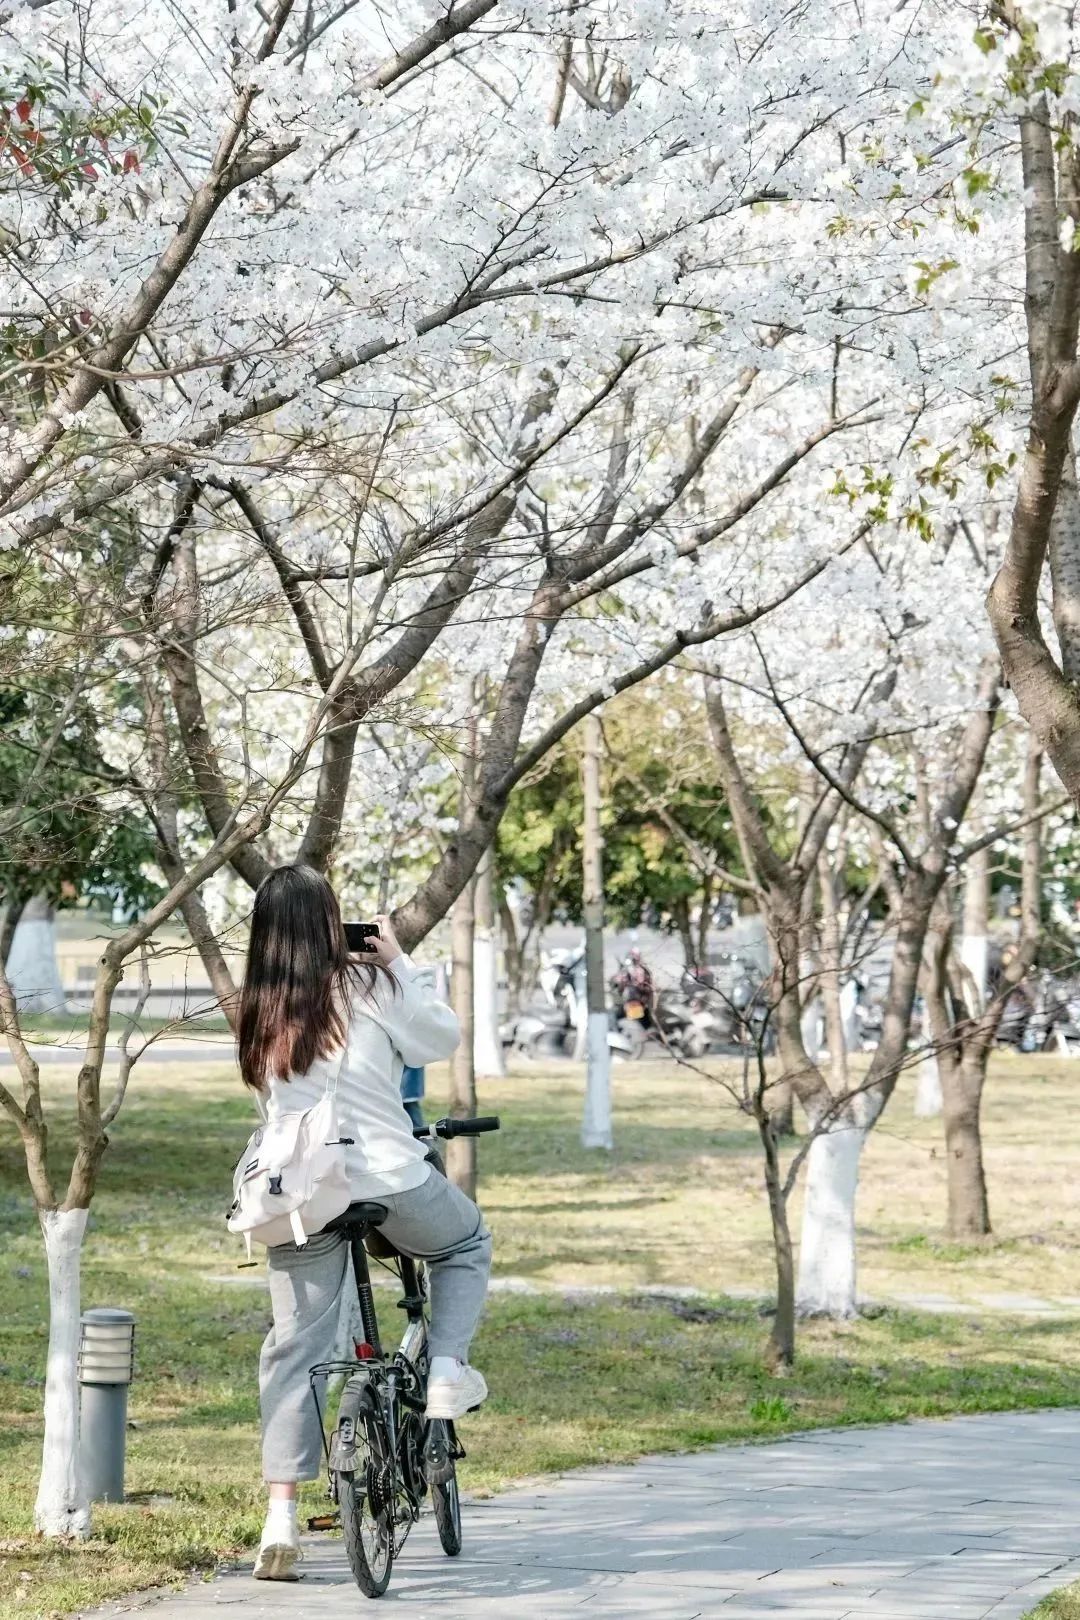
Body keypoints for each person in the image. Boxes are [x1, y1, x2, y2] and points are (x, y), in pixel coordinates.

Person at [236, 865, 491, 1582]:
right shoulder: (368, 986)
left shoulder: (257, 1005)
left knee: (294, 1348)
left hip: (301, 1194)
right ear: (330, 925)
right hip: (387, 1177)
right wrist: (397, 961)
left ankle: (279, 1519)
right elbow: (440, 1038)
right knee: (466, 1243)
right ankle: (443, 1369)